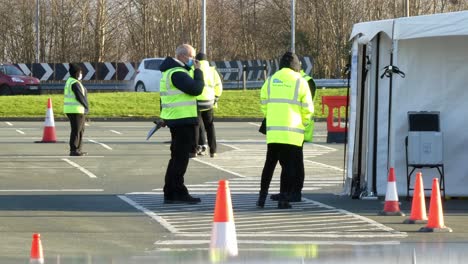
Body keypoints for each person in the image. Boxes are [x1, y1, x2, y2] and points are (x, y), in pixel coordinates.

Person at [256, 52, 314, 209]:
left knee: (269, 165)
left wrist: (271, 116)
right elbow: (308, 108)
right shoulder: (300, 82)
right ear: (296, 66)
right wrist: (304, 123)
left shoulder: (270, 80)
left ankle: (261, 197)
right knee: (288, 167)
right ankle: (283, 199)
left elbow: (263, 102)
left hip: (273, 132)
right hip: (293, 132)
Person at [159, 44, 204, 204]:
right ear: (182, 57)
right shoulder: (178, 73)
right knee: (181, 159)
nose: (194, 60)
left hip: (176, 119)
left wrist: (164, 117)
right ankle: (178, 191)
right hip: (182, 121)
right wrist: (199, 72)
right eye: (191, 57)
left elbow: (165, 99)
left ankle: (170, 191)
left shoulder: (169, 72)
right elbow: (196, 89)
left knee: (176, 158)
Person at [191, 52, 223, 158]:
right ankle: (213, 150)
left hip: (196, 101)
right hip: (209, 101)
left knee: (197, 126)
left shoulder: (193, 69)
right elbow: (219, 86)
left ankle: (196, 149)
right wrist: (216, 98)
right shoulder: (212, 71)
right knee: (210, 126)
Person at [64, 63, 88, 156]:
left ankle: (78, 149)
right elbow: (80, 97)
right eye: (80, 72)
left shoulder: (71, 81)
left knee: (80, 130)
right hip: (75, 110)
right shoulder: (74, 83)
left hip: (74, 109)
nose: (81, 74)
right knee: (76, 130)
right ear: (76, 73)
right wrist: (86, 106)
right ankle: (74, 149)